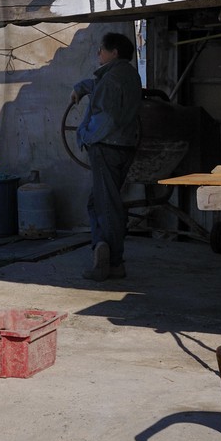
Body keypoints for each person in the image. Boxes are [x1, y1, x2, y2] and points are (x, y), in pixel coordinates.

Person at [70, 31, 142, 281]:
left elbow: (107, 117)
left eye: (101, 49)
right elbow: (101, 89)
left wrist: (87, 136)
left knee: (106, 205)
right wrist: (82, 87)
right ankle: (102, 248)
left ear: (114, 53)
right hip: (124, 146)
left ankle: (112, 262)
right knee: (98, 202)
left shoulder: (113, 79)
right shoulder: (128, 74)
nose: (98, 53)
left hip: (106, 146)